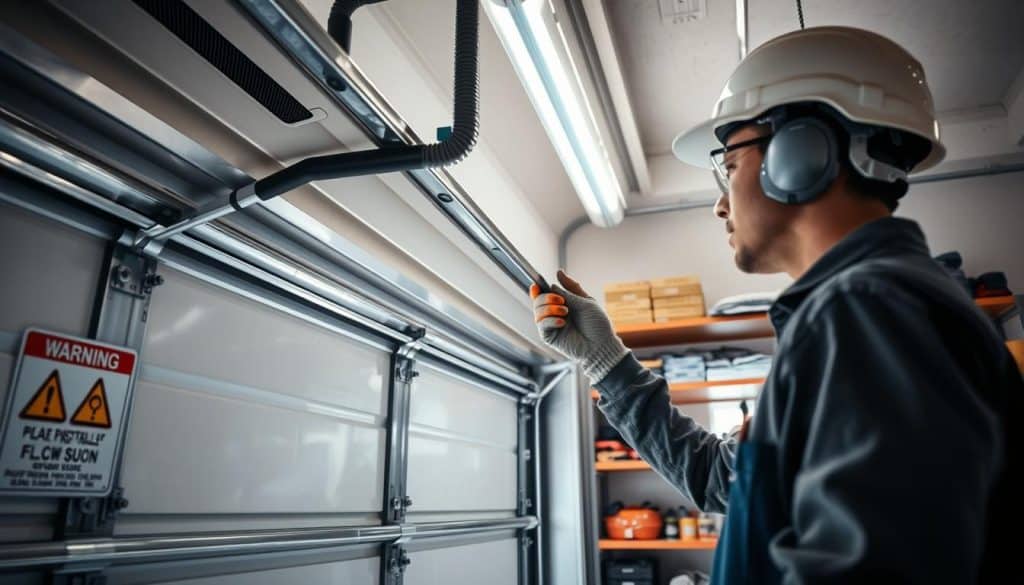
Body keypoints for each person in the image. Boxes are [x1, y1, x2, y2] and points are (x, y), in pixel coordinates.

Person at [530, 26, 1019, 584]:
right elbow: (721, 479)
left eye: (729, 165)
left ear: (800, 152)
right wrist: (608, 364)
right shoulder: (858, 315)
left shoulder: (869, 312)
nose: (720, 203)